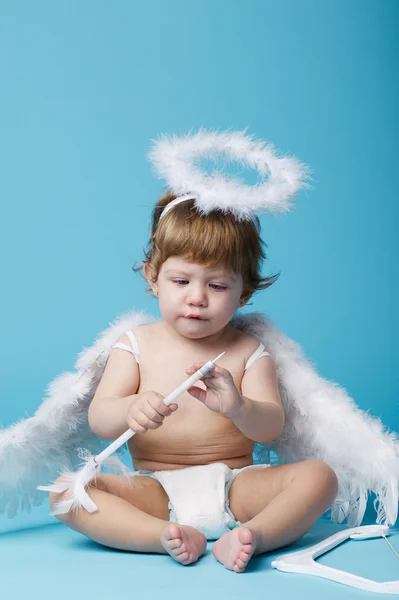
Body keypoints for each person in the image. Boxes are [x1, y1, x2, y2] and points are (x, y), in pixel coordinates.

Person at [49, 191, 338, 573]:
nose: (197, 298)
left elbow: (271, 428)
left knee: (320, 477)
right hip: (154, 488)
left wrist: (239, 407)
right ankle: (160, 534)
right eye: (181, 280)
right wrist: (130, 408)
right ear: (154, 277)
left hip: (237, 486)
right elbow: (100, 418)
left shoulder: (249, 352)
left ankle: (254, 535)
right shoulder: (135, 345)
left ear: (244, 292)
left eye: (217, 286)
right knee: (66, 492)